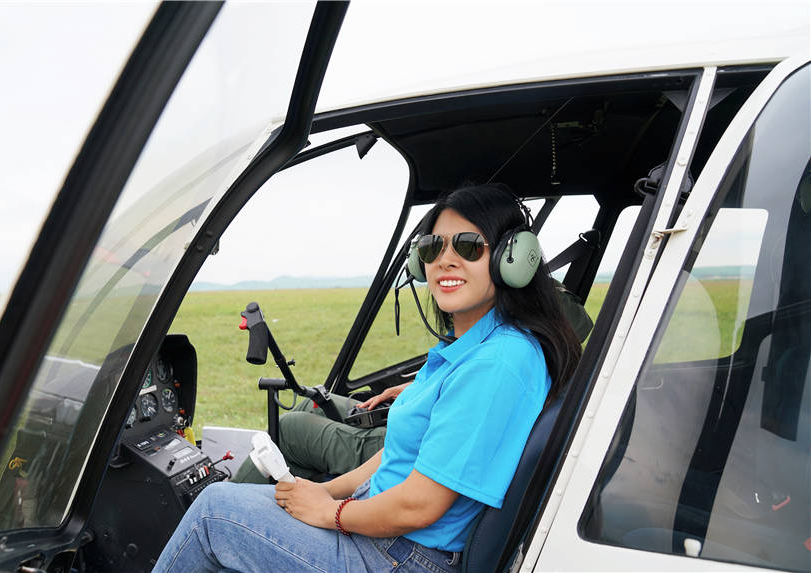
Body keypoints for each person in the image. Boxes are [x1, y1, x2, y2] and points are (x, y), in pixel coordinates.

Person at [153, 183, 582, 573]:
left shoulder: (499, 361)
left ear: (512, 258)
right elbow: (402, 455)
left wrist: (330, 513)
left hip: (406, 557)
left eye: (470, 246)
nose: (446, 260)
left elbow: (420, 504)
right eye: (433, 246)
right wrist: (326, 492)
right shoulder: (476, 347)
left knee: (214, 513)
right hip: (391, 537)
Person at [230, 285, 591, 483]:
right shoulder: (525, 342)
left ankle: (231, 495)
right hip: (418, 420)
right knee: (311, 403)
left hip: (409, 444)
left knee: (289, 427)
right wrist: (408, 391)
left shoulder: (508, 356)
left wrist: (329, 508)